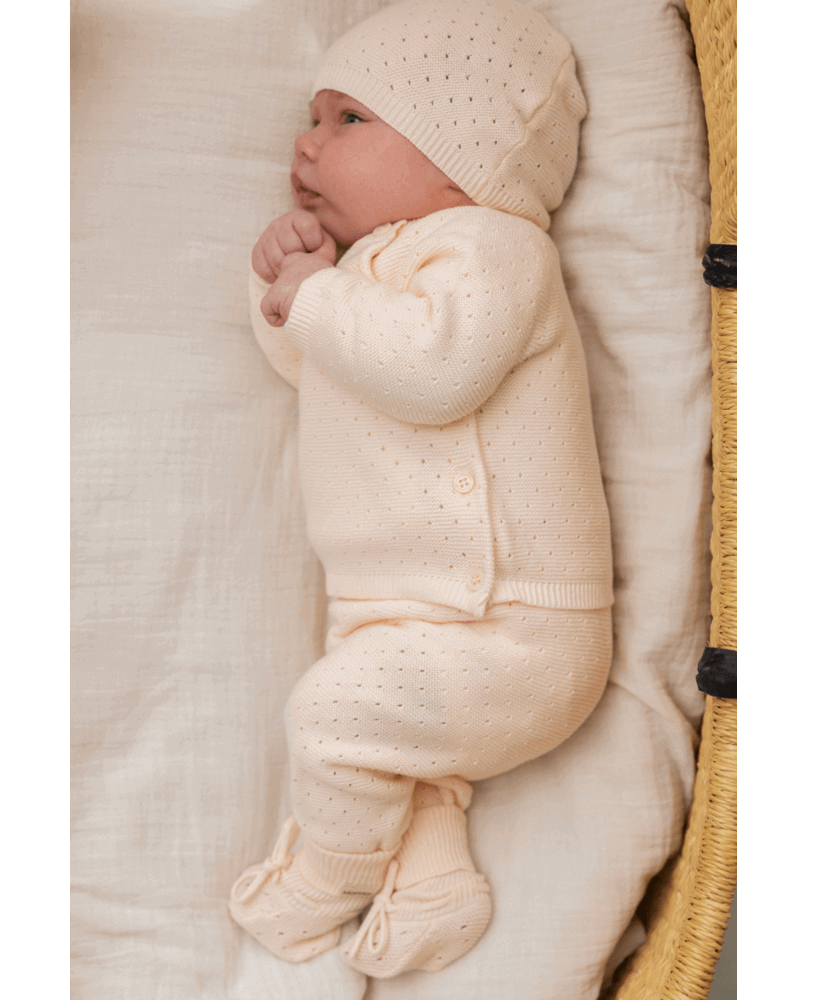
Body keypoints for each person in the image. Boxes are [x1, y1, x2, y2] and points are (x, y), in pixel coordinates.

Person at [230, 0, 613, 979]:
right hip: (409, 620)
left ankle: (329, 873)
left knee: (331, 718)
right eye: (314, 119)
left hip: (514, 630)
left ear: (463, 154)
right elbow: (327, 368)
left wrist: (319, 295)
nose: (307, 145)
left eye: (346, 120)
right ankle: (438, 881)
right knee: (399, 750)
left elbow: (433, 368)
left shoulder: (494, 249)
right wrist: (290, 297)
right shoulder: (375, 271)